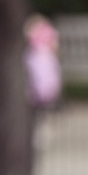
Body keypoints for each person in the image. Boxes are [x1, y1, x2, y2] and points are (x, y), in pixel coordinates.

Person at [24, 14, 62, 148]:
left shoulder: (37, 54)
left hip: (42, 66)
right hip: (40, 66)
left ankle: (41, 129)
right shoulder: (35, 55)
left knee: (42, 99)